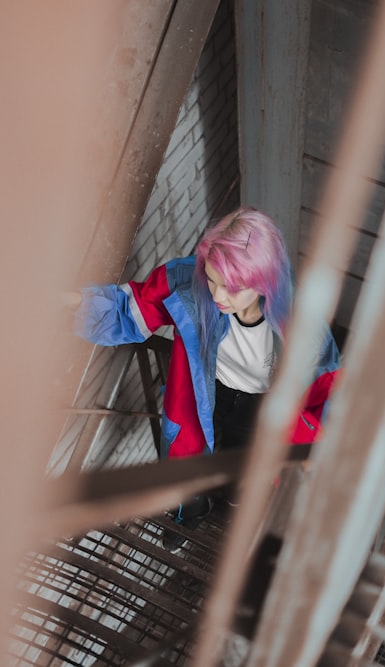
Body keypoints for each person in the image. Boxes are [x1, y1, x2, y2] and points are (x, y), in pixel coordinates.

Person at [73, 206, 340, 550]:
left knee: (243, 478)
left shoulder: (301, 324)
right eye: (212, 281)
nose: (216, 296)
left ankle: (231, 517)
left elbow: (326, 391)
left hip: (260, 413)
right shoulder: (191, 282)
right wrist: (72, 303)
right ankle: (188, 516)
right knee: (190, 465)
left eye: (230, 288)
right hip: (205, 399)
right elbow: (132, 308)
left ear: (263, 281)